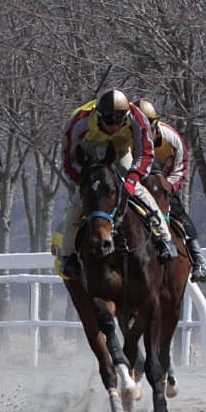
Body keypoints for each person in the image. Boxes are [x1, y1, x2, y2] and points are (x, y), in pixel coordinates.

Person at [55, 88, 179, 285]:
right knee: (79, 202)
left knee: (141, 192)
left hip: (120, 151)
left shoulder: (138, 119)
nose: (113, 126)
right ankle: (68, 256)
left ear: (127, 116)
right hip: (90, 154)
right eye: (109, 122)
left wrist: (131, 181)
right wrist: (86, 182)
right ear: (98, 115)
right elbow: (68, 160)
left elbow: (145, 154)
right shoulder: (79, 121)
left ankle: (165, 240)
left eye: (119, 122)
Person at [137, 99, 206, 281]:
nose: (144, 139)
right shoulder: (126, 140)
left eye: (148, 133)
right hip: (136, 186)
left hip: (163, 185)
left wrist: (166, 187)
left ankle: (199, 261)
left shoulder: (172, 139)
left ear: (155, 127)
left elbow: (181, 168)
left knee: (180, 216)